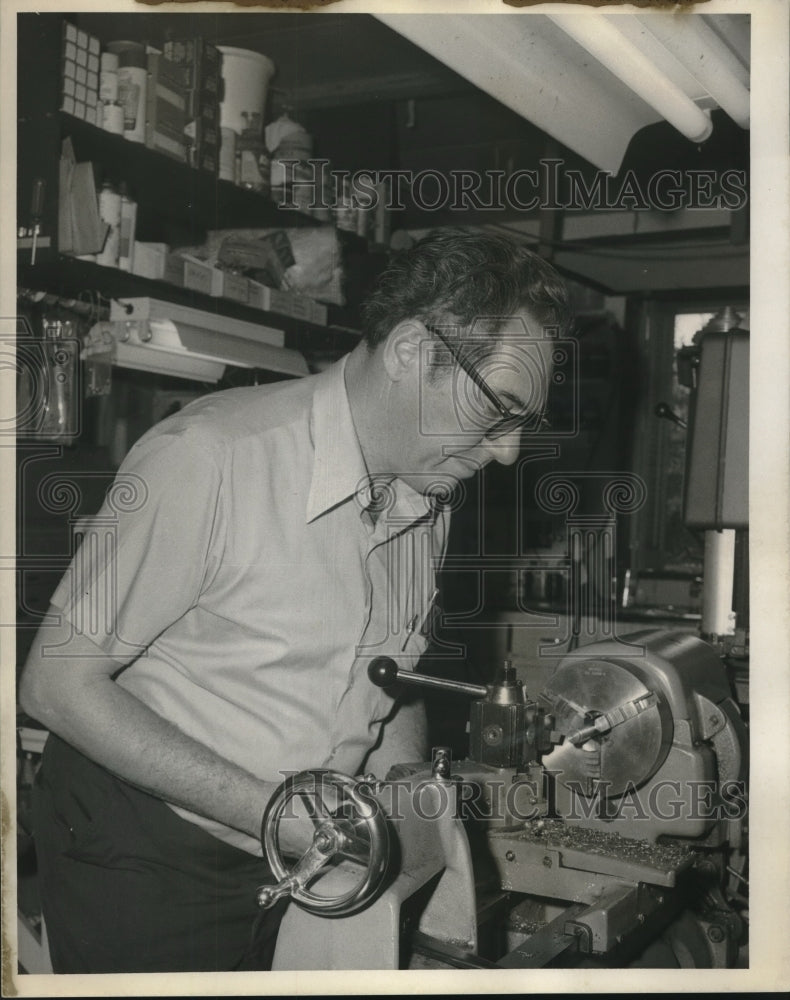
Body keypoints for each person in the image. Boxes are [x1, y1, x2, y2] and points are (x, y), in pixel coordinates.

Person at [19, 227, 569, 972]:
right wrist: (278, 817)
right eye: (497, 409)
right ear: (412, 353)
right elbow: (54, 686)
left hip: (306, 850)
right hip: (146, 850)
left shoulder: (427, 496)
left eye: (522, 424)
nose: (506, 450)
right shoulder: (210, 458)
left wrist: (404, 785)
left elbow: (387, 672)